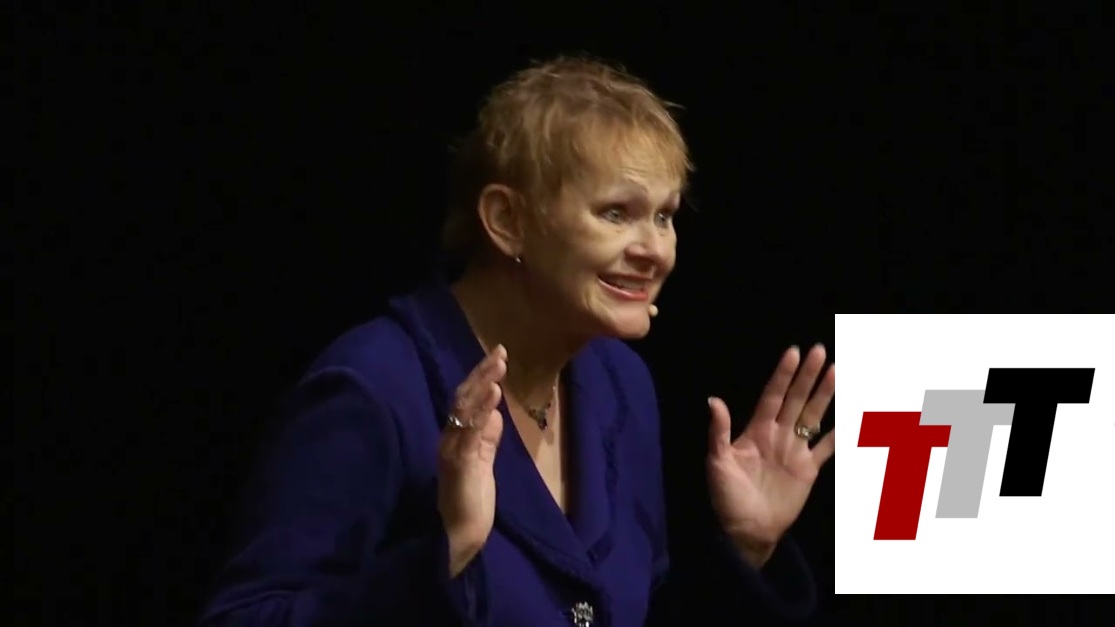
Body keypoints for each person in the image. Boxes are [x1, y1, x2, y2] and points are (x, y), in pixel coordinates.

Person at [198, 55, 836, 626]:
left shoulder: (621, 382)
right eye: (616, 212)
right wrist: (446, 554)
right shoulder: (373, 386)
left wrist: (746, 548)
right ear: (507, 220)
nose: (655, 251)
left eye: (664, 216)